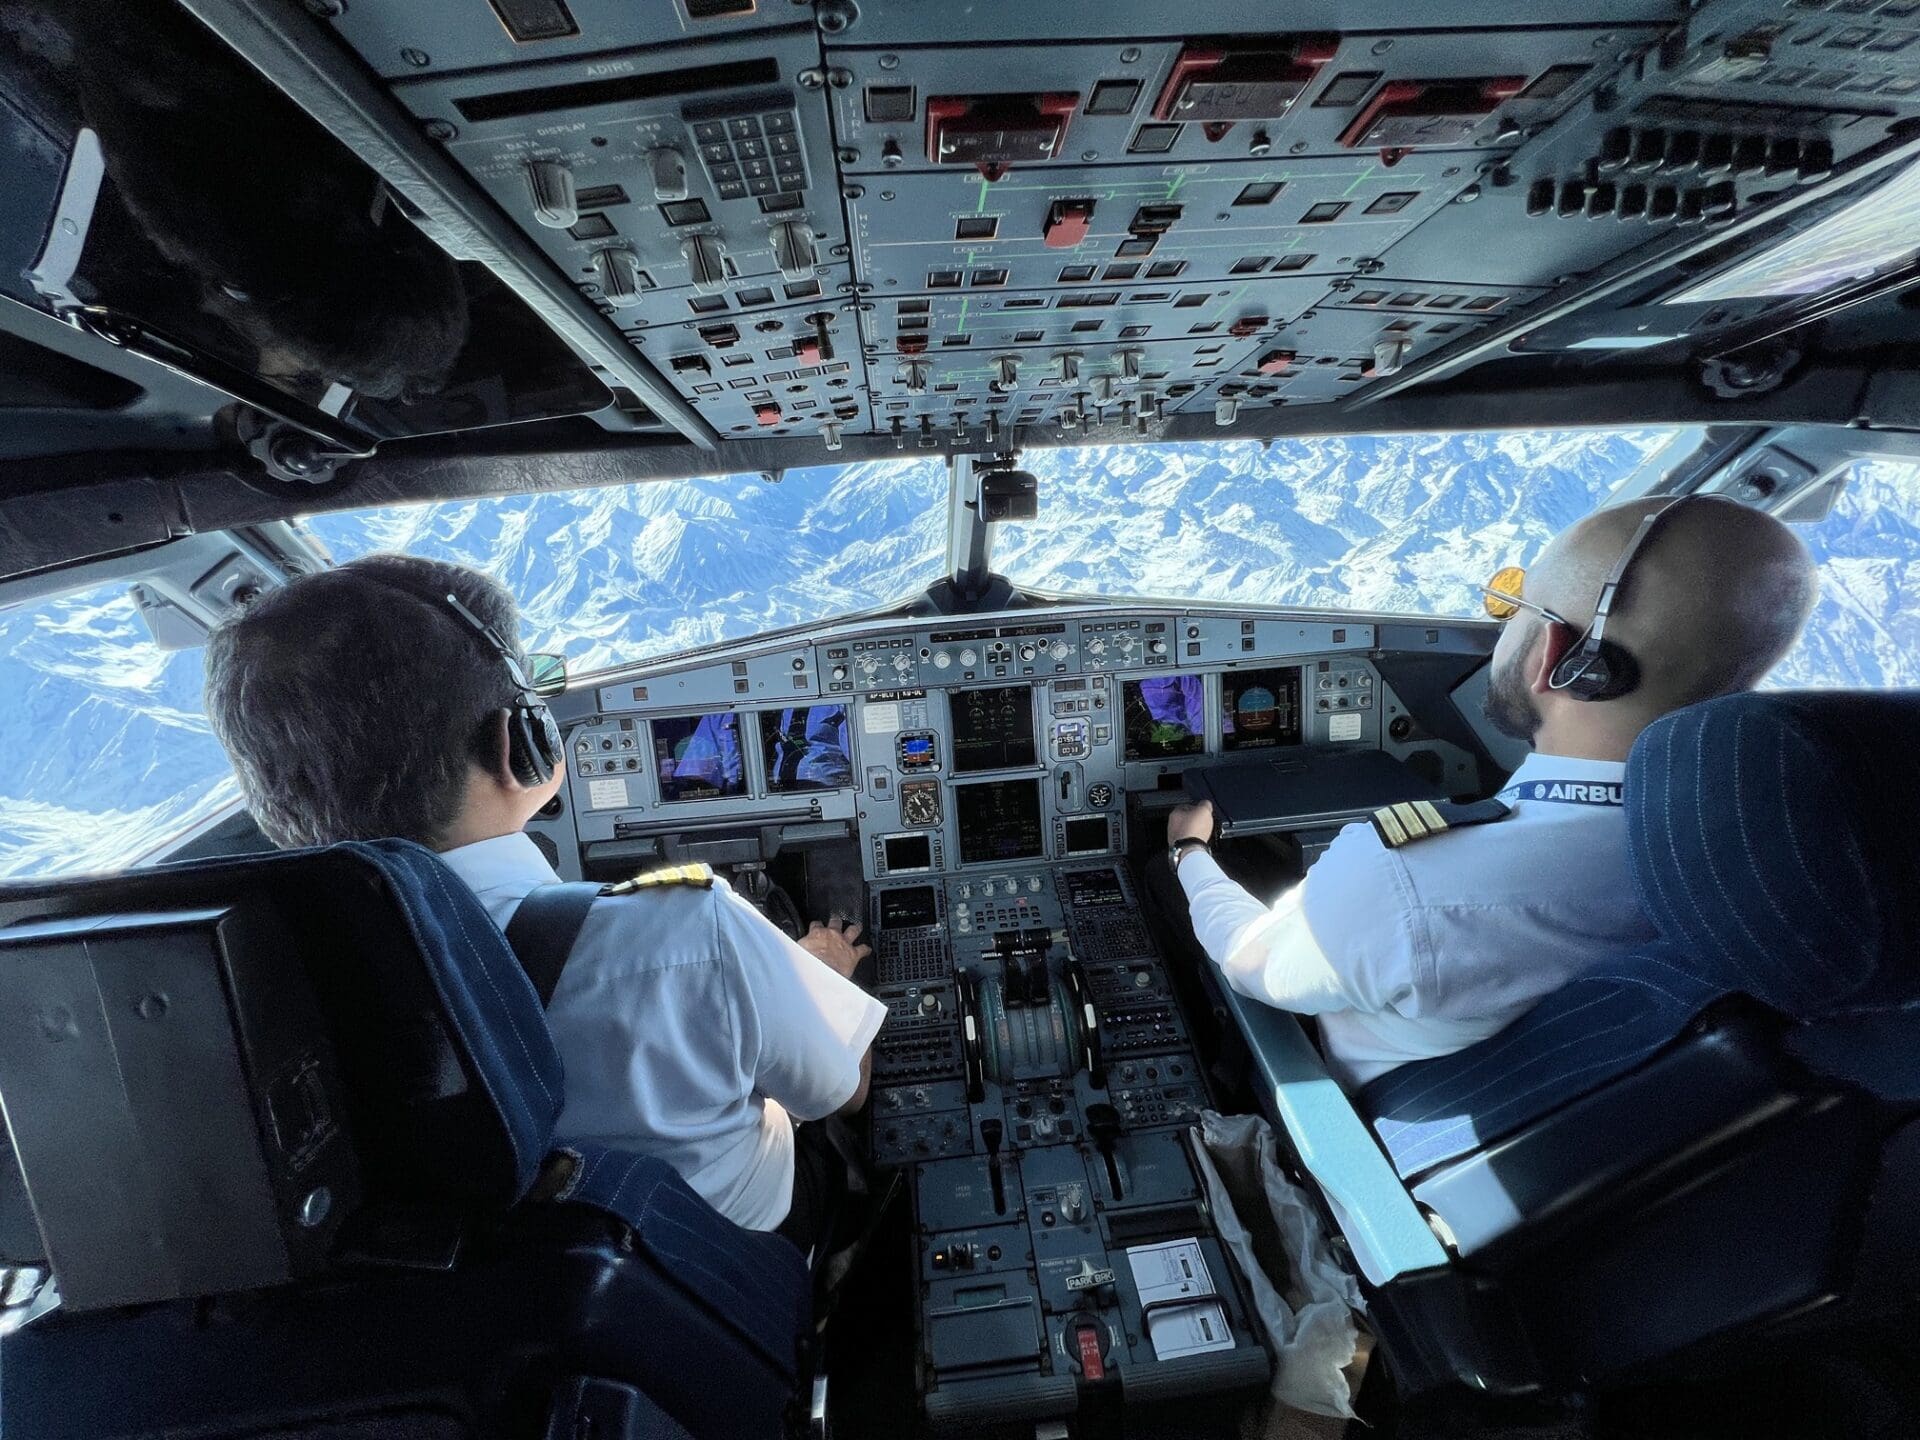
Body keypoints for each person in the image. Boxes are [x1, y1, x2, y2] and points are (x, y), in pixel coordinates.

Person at [203, 552, 885, 1251]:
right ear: (520, 742)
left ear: (272, 804)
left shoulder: (246, 1003)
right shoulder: (688, 932)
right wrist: (822, 969)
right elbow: (842, 1088)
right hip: (734, 1261)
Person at [1159, 495, 1820, 1092]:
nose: (1502, 626)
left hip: (1365, 1118)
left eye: (1514, 608)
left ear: (1556, 653)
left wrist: (1190, 853)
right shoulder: (1786, 865)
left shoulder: (1410, 882)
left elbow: (1252, 962)